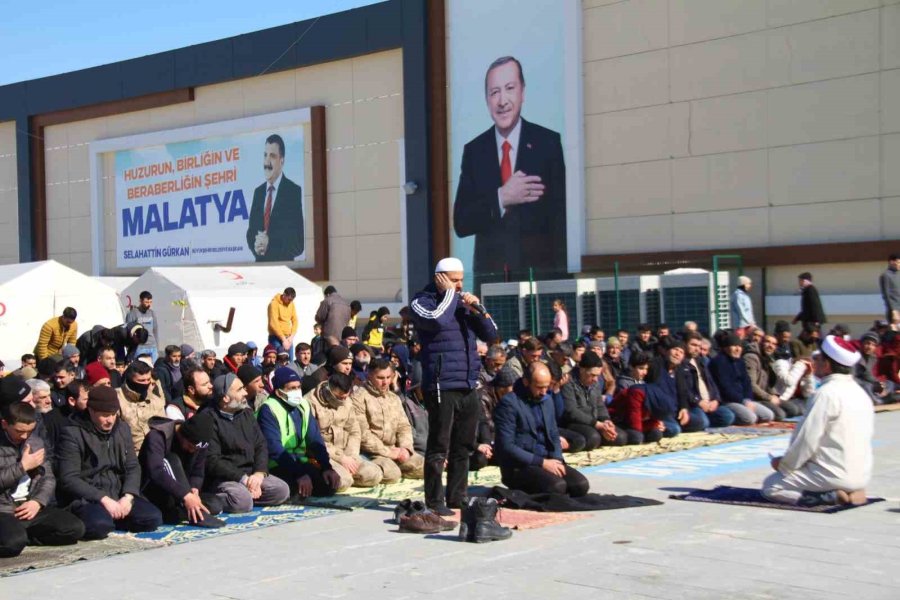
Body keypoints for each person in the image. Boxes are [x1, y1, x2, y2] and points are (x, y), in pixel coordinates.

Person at [452, 56, 566, 285]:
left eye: (509, 89)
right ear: (486, 99)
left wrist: (560, 280)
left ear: (522, 92)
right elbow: (461, 223)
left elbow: (561, 219)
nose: (502, 100)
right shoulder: (475, 151)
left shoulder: (547, 143)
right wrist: (501, 197)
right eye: (494, 92)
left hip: (539, 282)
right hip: (491, 281)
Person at [409, 257, 498, 515]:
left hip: (468, 383)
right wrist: (449, 295)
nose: (459, 285)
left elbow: (491, 335)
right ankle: (435, 501)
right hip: (441, 383)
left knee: (464, 444)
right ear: (440, 278)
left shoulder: (461, 303)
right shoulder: (422, 301)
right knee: (439, 445)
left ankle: (457, 496)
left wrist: (478, 309)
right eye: (454, 280)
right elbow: (435, 320)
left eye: (461, 280)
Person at [763, 336, 873, 506]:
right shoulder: (861, 393)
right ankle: (851, 490)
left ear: (827, 365)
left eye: (817, 359)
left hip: (833, 474)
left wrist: (784, 465)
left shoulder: (826, 393)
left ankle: (831, 496)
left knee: (771, 486)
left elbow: (807, 439)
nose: (814, 363)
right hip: (861, 475)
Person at [57, 386, 162, 539]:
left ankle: (115, 517)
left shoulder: (122, 429)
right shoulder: (72, 433)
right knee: (99, 526)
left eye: (113, 414)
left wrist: (128, 496)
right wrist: (103, 499)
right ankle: (107, 519)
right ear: (91, 411)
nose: (110, 420)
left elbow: (132, 466)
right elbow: (69, 478)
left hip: (117, 491)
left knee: (152, 517)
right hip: (88, 497)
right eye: (105, 415)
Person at [193, 373, 290, 513]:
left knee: (281, 490)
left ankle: (249, 494)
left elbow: (261, 444)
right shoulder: (208, 418)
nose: (245, 393)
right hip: (225, 477)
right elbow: (212, 460)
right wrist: (243, 479)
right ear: (225, 398)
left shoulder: (246, 413)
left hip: (250, 473)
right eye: (239, 390)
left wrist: (259, 473)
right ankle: (218, 499)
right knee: (242, 501)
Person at [0, 401, 85, 557]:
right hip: (4, 509)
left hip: (29, 506)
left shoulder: (35, 442)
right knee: (12, 544)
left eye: (29, 431)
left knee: (74, 528)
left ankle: (24, 536)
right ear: (5, 424)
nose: (24, 436)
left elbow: (48, 478)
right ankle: (16, 536)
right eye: (19, 431)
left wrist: (38, 501)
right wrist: (23, 467)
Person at [494, 362, 589, 497]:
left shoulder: (547, 400)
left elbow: (553, 433)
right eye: (539, 387)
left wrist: (557, 458)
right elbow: (506, 446)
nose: (544, 392)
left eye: (546, 387)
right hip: (522, 465)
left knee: (580, 485)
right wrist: (542, 463)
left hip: (547, 458)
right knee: (558, 487)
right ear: (526, 382)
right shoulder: (509, 404)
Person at [257, 368, 342, 498]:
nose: (296, 391)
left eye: (298, 387)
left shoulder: (303, 405)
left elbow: (315, 439)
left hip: (301, 461)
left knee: (329, 486)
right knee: (296, 490)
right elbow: (274, 449)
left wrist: (326, 467)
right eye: (291, 388)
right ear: (279, 392)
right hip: (278, 464)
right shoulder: (268, 409)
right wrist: (299, 474)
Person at [138, 416, 224, 526]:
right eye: (190, 446)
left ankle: (185, 510)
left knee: (216, 504)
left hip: (182, 488)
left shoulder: (199, 444)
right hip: (156, 490)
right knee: (172, 460)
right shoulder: (158, 436)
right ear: (182, 435)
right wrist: (186, 495)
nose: (192, 451)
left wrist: (194, 489)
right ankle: (187, 511)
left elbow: (197, 472)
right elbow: (156, 471)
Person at [352, 359, 425, 483]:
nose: (385, 382)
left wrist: (405, 448)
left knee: (426, 467)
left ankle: (400, 466)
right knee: (392, 474)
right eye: (380, 378)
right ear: (369, 375)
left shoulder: (394, 398)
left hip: (395, 449)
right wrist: (388, 452)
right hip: (371, 452)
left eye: (388, 377)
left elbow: (404, 426)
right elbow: (363, 433)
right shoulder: (359, 398)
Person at [307, 372, 382, 489]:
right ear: (328, 389)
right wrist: (340, 458)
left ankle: (350, 475)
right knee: (342, 480)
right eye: (339, 397)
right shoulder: (309, 403)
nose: (343, 400)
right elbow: (312, 439)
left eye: (346, 397)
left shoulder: (347, 401)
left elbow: (354, 431)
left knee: (373, 474)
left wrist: (351, 456)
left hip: (347, 453)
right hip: (325, 455)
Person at [246, 133, 304, 262]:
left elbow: (299, 243)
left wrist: (270, 244)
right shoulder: (258, 192)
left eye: (272, 156)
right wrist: (255, 245)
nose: (267, 161)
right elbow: (251, 233)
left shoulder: (293, 192)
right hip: (260, 272)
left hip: (284, 272)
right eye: (265, 155)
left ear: (281, 160)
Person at [559, 352, 626, 450]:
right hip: (574, 423)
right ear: (582, 370)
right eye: (592, 375)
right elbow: (571, 411)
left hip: (595, 422)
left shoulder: (594, 384)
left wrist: (606, 421)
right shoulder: (568, 382)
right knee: (593, 438)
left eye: (598, 376)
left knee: (621, 437)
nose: (595, 379)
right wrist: (598, 425)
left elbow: (600, 406)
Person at [709, 332, 775, 425]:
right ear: (725, 348)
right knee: (750, 418)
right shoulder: (719, 362)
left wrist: (748, 400)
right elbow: (725, 388)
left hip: (744, 400)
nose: (737, 349)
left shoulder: (740, 361)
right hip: (728, 401)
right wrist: (743, 401)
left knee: (768, 415)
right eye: (734, 346)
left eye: (739, 346)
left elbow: (747, 383)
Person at [680, 332, 736, 430]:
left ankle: (704, 419)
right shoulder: (681, 364)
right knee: (703, 422)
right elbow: (684, 389)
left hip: (709, 402)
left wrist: (716, 400)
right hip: (694, 404)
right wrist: (698, 402)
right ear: (684, 344)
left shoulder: (701, 362)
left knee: (728, 416)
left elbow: (712, 384)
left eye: (698, 346)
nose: (697, 349)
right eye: (693, 345)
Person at [116, 360, 167, 452]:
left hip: (156, 452)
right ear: (130, 380)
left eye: (148, 380)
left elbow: (164, 426)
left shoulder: (155, 397)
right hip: (131, 454)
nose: (146, 383)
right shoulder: (118, 398)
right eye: (141, 380)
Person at [471, 368, 516, 471]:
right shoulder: (483, 397)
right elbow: (485, 423)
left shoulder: (508, 397)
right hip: (484, 438)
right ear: (502, 388)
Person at [125, 291, 160, 363]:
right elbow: (128, 331)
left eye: (150, 302)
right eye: (146, 302)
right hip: (139, 347)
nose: (149, 304)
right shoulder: (132, 313)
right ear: (140, 301)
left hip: (152, 346)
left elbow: (155, 330)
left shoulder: (152, 313)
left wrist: (157, 347)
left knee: (154, 368)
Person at [268, 287, 298, 360]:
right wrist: (283, 339)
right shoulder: (274, 304)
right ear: (284, 295)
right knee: (279, 361)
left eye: (292, 300)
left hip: (288, 337)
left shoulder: (291, 304)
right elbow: (273, 323)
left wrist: (291, 336)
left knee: (290, 361)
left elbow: (295, 320)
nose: (290, 302)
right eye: (289, 299)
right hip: (275, 337)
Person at [880, 254, 900, 323]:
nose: (899, 265)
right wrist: (894, 311)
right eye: (898, 262)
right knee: (894, 332)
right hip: (895, 311)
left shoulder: (898, 275)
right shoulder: (886, 275)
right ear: (891, 262)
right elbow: (886, 295)